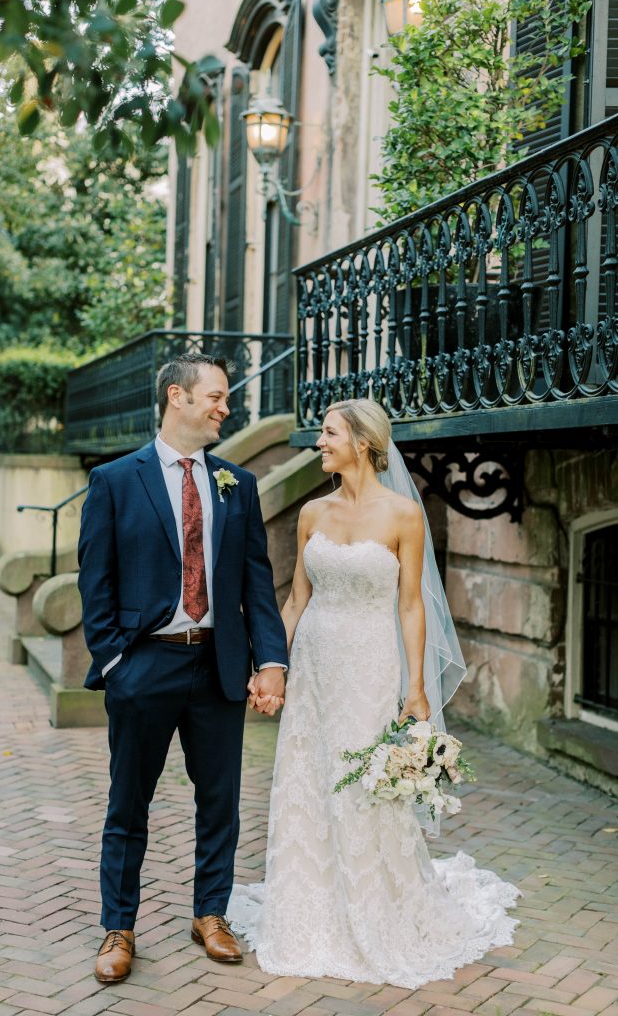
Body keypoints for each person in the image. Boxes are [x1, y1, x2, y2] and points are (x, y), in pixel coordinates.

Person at [229, 398, 520, 987]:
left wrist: (415, 689)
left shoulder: (402, 517)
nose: (319, 443)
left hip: (368, 664)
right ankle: (308, 903)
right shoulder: (312, 512)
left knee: (362, 783)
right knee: (309, 775)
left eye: (329, 434)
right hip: (313, 662)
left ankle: (371, 906)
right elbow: (295, 601)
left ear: (362, 441)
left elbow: (411, 605)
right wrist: (271, 666)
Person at [78, 353, 288, 984]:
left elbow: (258, 580)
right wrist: (117, 662)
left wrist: (270, 661)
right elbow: (96, 580)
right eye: (216, 397)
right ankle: (119, 926)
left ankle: (210, 914)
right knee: (128, 803)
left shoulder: (237, 483)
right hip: (145, 666)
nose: (226, 407)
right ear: (178, 397)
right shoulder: (116, 480)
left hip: (219, 665)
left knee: (220, 800)